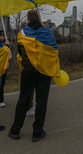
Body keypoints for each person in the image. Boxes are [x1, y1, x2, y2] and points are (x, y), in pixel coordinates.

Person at [9, 10, 60, 142]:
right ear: (39, 18)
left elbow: (20, 53)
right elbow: (54, 50)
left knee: (23, 99)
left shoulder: (22, 34)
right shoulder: (48, 33)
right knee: (41, 101)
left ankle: (15, 130)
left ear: (29, 20)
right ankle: (37, 132)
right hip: (44, 71)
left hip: (28, 71)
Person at [0, 30, 12, 108]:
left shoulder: (6, 45)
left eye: (3, 36)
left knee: (2, 83)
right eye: (0, 36)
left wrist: (7, 48)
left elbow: (10, 56)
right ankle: (0, 100)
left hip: (5, 67)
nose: (2, 37)